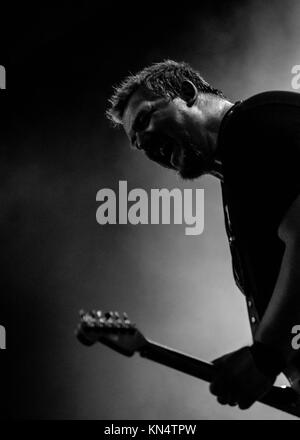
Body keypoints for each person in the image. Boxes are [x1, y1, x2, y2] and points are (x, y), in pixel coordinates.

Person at [106, 60, 300, 410]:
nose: (145, 145)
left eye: (146, 118)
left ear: (187, 92)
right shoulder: (239, 173)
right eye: (136, 143)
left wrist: (266, 355)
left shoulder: (256, 122)